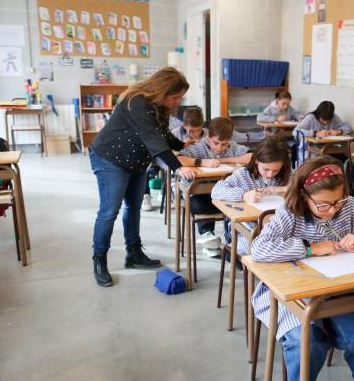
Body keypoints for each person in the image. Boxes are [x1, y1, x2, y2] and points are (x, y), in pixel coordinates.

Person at [250, 156, 354, 381]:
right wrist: (310, 248)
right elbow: (259, 249)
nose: (332, 210)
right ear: (304, 195)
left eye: (337, 201)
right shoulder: (290, 212)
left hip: (336, 294)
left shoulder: (349, 207)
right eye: (323, 204)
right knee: (307, 343)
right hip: (295, 299)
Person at [89, 67, 196, 287]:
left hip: (136, 160)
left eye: (180, 98)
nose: (177, 102)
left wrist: (181, 145)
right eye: (175, 97)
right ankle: (99, 261)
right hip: (110, 158)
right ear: (162, 91)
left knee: (134, 207)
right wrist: (177, 167)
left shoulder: (158, 107)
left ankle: (134, 253)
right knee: (109, 211)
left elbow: (162, 134)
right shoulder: (137, 101)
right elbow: (153, 138)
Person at [180, 117, 252, 255]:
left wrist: (221, 160)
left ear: (230, 140)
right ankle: (208, 236)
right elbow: (179, 158)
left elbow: (252, 157)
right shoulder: (199, 148)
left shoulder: (234, 148)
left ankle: (232, 246)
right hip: (203, 198)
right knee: (196, 202)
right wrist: (202, 162)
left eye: (224, 144)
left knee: (234, 203)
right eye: (216, 143)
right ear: (208, 137)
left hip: (225, 199)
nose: (219, 148)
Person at [211, 136, 291, 253]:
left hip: (277, 226)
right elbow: (216, 191)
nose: (270, 174)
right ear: (257, 160)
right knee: (259, 247)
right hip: (246, 229)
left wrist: (283, 189)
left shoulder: (286, 175)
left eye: (276, 170)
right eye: (266, 169)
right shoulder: (244, 175)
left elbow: (307, 189)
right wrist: (244, 195)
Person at [141, 107, 206, 212]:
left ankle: (190, 196)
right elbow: (167, 153)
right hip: (178, 165)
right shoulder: (175, 133)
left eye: (198, 130)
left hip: (198, 168)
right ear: (184, 126)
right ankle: (169, 193)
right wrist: (182, 146)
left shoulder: (207, 134)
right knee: (172, 171)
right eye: (192, 131)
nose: (196, 134)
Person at [294, 101, 352, 165]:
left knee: (343, 158)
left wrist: (339, 131)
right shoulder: (310, 118)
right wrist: (315, 133)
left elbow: (348, 127)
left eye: (328, 121)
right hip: (310, 148)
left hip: (327, 148)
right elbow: (296, 132)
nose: (325, 123)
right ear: (319, 114)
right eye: (323, 120)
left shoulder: (334, 117)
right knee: (318, 162)